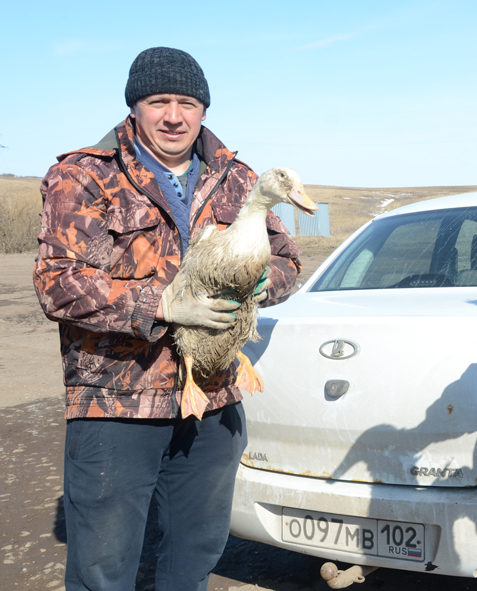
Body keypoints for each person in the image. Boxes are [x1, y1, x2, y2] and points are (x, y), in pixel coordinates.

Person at [33, 47, 302, 591]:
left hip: (212, 398)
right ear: (135, 106)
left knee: (194, 557)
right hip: (116, 405)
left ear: (203, 109)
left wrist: (260, 280)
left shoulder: (237, 179)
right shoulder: (84, 176)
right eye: (158, 101)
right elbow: (56, 281)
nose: (173, 115)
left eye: (186, 102)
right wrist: (158, 304)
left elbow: (289, 259)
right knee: (103, 569)